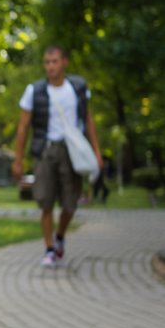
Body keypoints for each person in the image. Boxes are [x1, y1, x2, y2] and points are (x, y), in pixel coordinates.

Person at [12, 45, 102, 268]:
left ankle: (60, 235)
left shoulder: (78, 88)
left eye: (54, 61)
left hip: (72, 152)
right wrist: (18, 159)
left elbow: (88, 122)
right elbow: (23, 127)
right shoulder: (35, 91)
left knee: (70, 204)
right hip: (46, 151)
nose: (50, 66)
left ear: (64, 62)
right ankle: (50, 248)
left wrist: (97, 153)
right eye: (47, 62)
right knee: (46, 202)